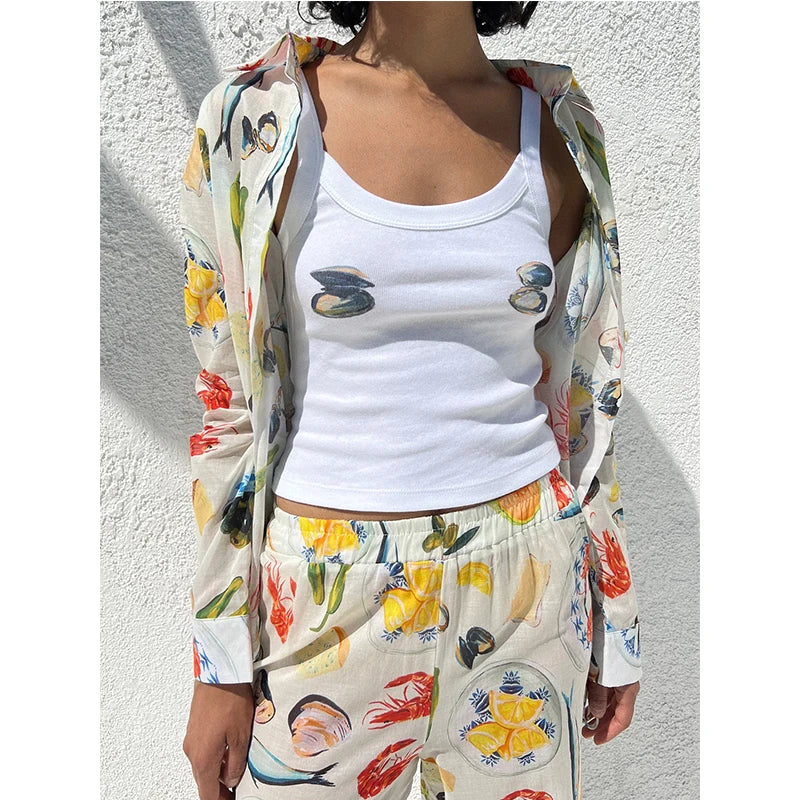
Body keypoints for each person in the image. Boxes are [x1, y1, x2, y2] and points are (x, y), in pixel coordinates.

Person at [178, 3, 642, 798]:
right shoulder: (254, 120)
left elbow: (584, 400)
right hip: (324, 598)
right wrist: (218, 660)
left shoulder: (558, 128)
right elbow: (228, 407)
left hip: (529, 583)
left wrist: (617, 616)